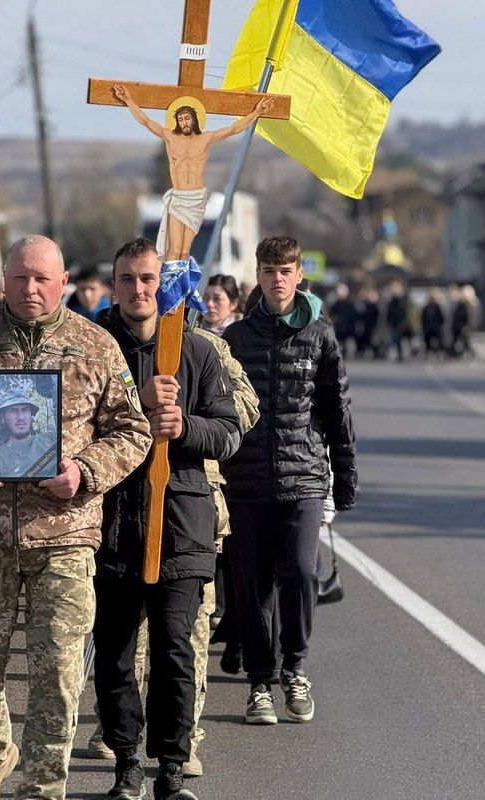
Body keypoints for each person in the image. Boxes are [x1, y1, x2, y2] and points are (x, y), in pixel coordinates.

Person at [0, 235, 151, 800]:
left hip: (64, 535)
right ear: (3, 282)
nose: (31, 289)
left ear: (63, 282)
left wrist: (85, 471)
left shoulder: (95, 345)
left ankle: (43, 786)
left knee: (58, 674)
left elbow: (133, 430)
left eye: (42, 278)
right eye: (20, 278)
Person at [91, 238, 242, 800]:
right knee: (114, 653)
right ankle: (126, 761)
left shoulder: (197, 350)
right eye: (127, 279)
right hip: (111, 522)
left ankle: (172, 767)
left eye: (148, 278)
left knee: (175, 649)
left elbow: (229, 432)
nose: (139, 289)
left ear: (163, 284)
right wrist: (137, 402)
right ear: (114, 286)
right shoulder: (93, 348)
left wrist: (185, 426)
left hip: (181, 521)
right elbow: (65, 425)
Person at [223, 236, 357, 726]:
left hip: (304, 478)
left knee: (301, 572)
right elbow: (219, 409)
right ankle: (260, 682)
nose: (277, 279)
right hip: (246, 481)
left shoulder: (320, 336)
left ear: (300, 276)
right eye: (268, 270)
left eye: (285, 271)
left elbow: (337, 410)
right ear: (257, 276)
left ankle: (294, 668)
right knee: (252, 585)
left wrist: (345, 476)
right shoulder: (236, 338)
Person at [111, 85, 273, 261]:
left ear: (194, 119)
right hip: (178, 196)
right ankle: (171, 277)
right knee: (174, 249)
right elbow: (146, 121)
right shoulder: (170, 137)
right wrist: (128, 100)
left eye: (187, 118)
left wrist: (256, 112)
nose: (184, 122)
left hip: (196, 198)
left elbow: (234, 129)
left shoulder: (206, 138)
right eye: (180, 119)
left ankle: (183, 277)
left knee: (184, 251)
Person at [0, 395, 58, 479]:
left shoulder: (52, 439)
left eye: (25, 410)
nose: (21, 417)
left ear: (31, 415)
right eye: (13, 411)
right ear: (3, 417)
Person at [421, 288, 447, 359]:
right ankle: (428, 353)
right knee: (427, 342)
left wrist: (439, 325)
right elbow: (423, 318)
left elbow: (441, 317)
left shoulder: (438, 306)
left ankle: (440, 353)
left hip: (436, 328)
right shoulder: (426, 307)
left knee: (440, 341)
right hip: (428, 328)